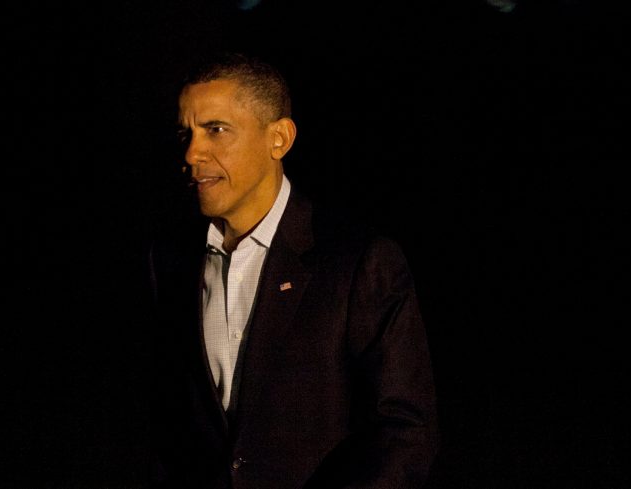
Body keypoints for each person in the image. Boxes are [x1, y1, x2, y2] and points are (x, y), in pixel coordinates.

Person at [147, 52, 438, 489]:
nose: (192, 152)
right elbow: (169, 423)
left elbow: (405, 431)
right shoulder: (170, 261)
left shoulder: (358, 261)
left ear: (279, 139)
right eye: (185, 133)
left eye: (216, 130)